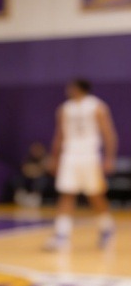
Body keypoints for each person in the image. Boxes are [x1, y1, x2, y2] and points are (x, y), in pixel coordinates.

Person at [48, 79, 117, 250]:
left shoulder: (97, 106)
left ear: (79, 88)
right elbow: (59, 135)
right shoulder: (65, 108)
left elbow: (108, 134)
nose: (68, 89)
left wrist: (109, 158)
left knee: (95, 195)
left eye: (71, 87)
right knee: (67, 193)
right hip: (70, 155)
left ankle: (106, 228)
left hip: (89, 156)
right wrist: (54, 158)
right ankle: (61, 235)